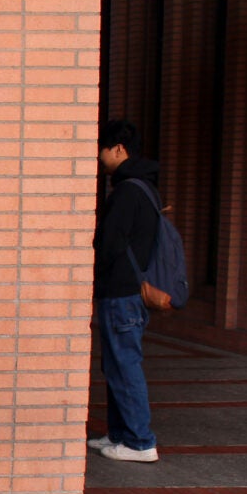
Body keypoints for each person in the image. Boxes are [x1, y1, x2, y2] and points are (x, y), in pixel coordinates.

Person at [89, 119, 161, 462]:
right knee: (117, 364)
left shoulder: (128, 191)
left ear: (119, 148)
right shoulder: (144, 188)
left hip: (121, 292)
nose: (100, 158)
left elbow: (109, 244)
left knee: (125, 364)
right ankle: (120, 435)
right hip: (127, 292)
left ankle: (139, 441)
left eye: (103, 150)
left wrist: (96, 277)